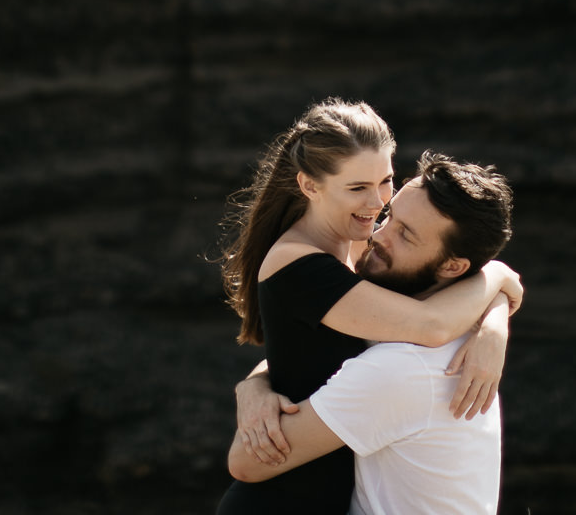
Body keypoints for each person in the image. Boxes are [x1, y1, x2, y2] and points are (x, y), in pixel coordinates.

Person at [214, 101, 521, 515]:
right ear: (310, 187)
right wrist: (499, 280)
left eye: (386, 182)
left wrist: (494, 320)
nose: (377, 205)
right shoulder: (302, 265)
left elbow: (308, 352)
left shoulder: (358, 249)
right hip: (282, 500)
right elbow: (430, 325)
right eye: (357, 188)